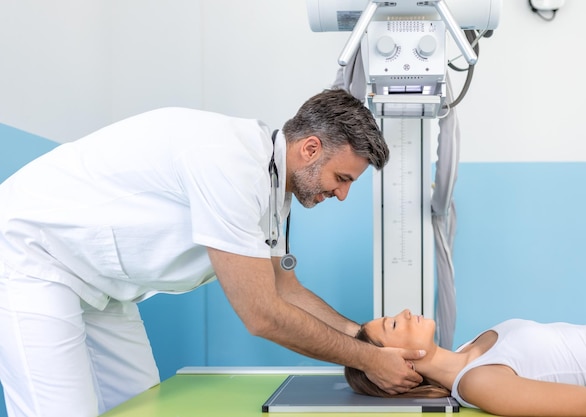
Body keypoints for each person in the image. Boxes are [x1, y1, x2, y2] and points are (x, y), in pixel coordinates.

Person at [0, 89, 425, 417]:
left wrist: (365, 337)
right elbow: (262, 314)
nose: (344, 194)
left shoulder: (273, 186)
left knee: (143, 404)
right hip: (34, 257)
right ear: (310, 149)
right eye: (342, 177)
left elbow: (285, 287)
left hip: (103, 287)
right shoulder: (229, 164)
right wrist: (371, 360)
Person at [344, 309, 586, 416]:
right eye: (393, 324)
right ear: (400, 364)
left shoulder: (469, 347)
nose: (405, 312)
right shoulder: (478, 383)